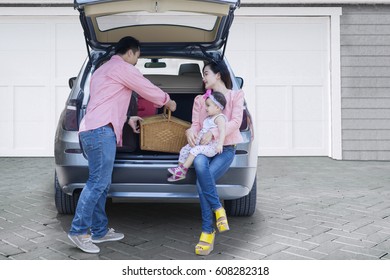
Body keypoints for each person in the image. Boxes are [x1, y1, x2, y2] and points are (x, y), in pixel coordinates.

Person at [68, 36, 177, 254]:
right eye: (137, 56)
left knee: (101, 183)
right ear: (130, 52)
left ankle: (99, 231)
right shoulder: (123, 68)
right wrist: (167, 100)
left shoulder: (102, 70)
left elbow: (106, 100)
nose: (137, 61)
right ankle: (78, 231)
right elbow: (145, 87)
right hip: (100, 132)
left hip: (93, 130)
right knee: (97, 183)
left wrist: (127, 118)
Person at [185, 60, 244, 256]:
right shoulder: (200, 100)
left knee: (204, 179)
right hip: (202, 149)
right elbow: (195, 124)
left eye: (206, 73)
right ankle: (218, 210)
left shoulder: (236, 95)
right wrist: (189, 132)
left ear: (218, 75)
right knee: (202, 167)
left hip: (225, 148)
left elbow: (236, 122)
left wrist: (216, 134)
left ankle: (207, 231)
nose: (203, 78)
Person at [167, 91, 227, 182]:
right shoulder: (209, 118)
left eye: (208, 106)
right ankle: (180, 172)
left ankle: (183, 169)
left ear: (217, 107)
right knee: (185, 149)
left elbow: (223, 131)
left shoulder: (220, 118)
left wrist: (220, 144)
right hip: (202, 144)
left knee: (195, 150)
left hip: (212, 147)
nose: (205, 108)